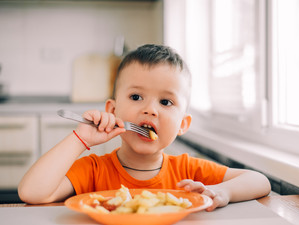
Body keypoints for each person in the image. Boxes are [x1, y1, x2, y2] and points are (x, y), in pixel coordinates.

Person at [18, 44, 271, 211]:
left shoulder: (189, 171)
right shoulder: (94, 170)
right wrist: (79, 139)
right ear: (112, 110)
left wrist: (220, 192)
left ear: (183, 125)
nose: (151, 109)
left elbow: (259, 181)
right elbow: (32, 192)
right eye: (137, 97)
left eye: (165, 101)